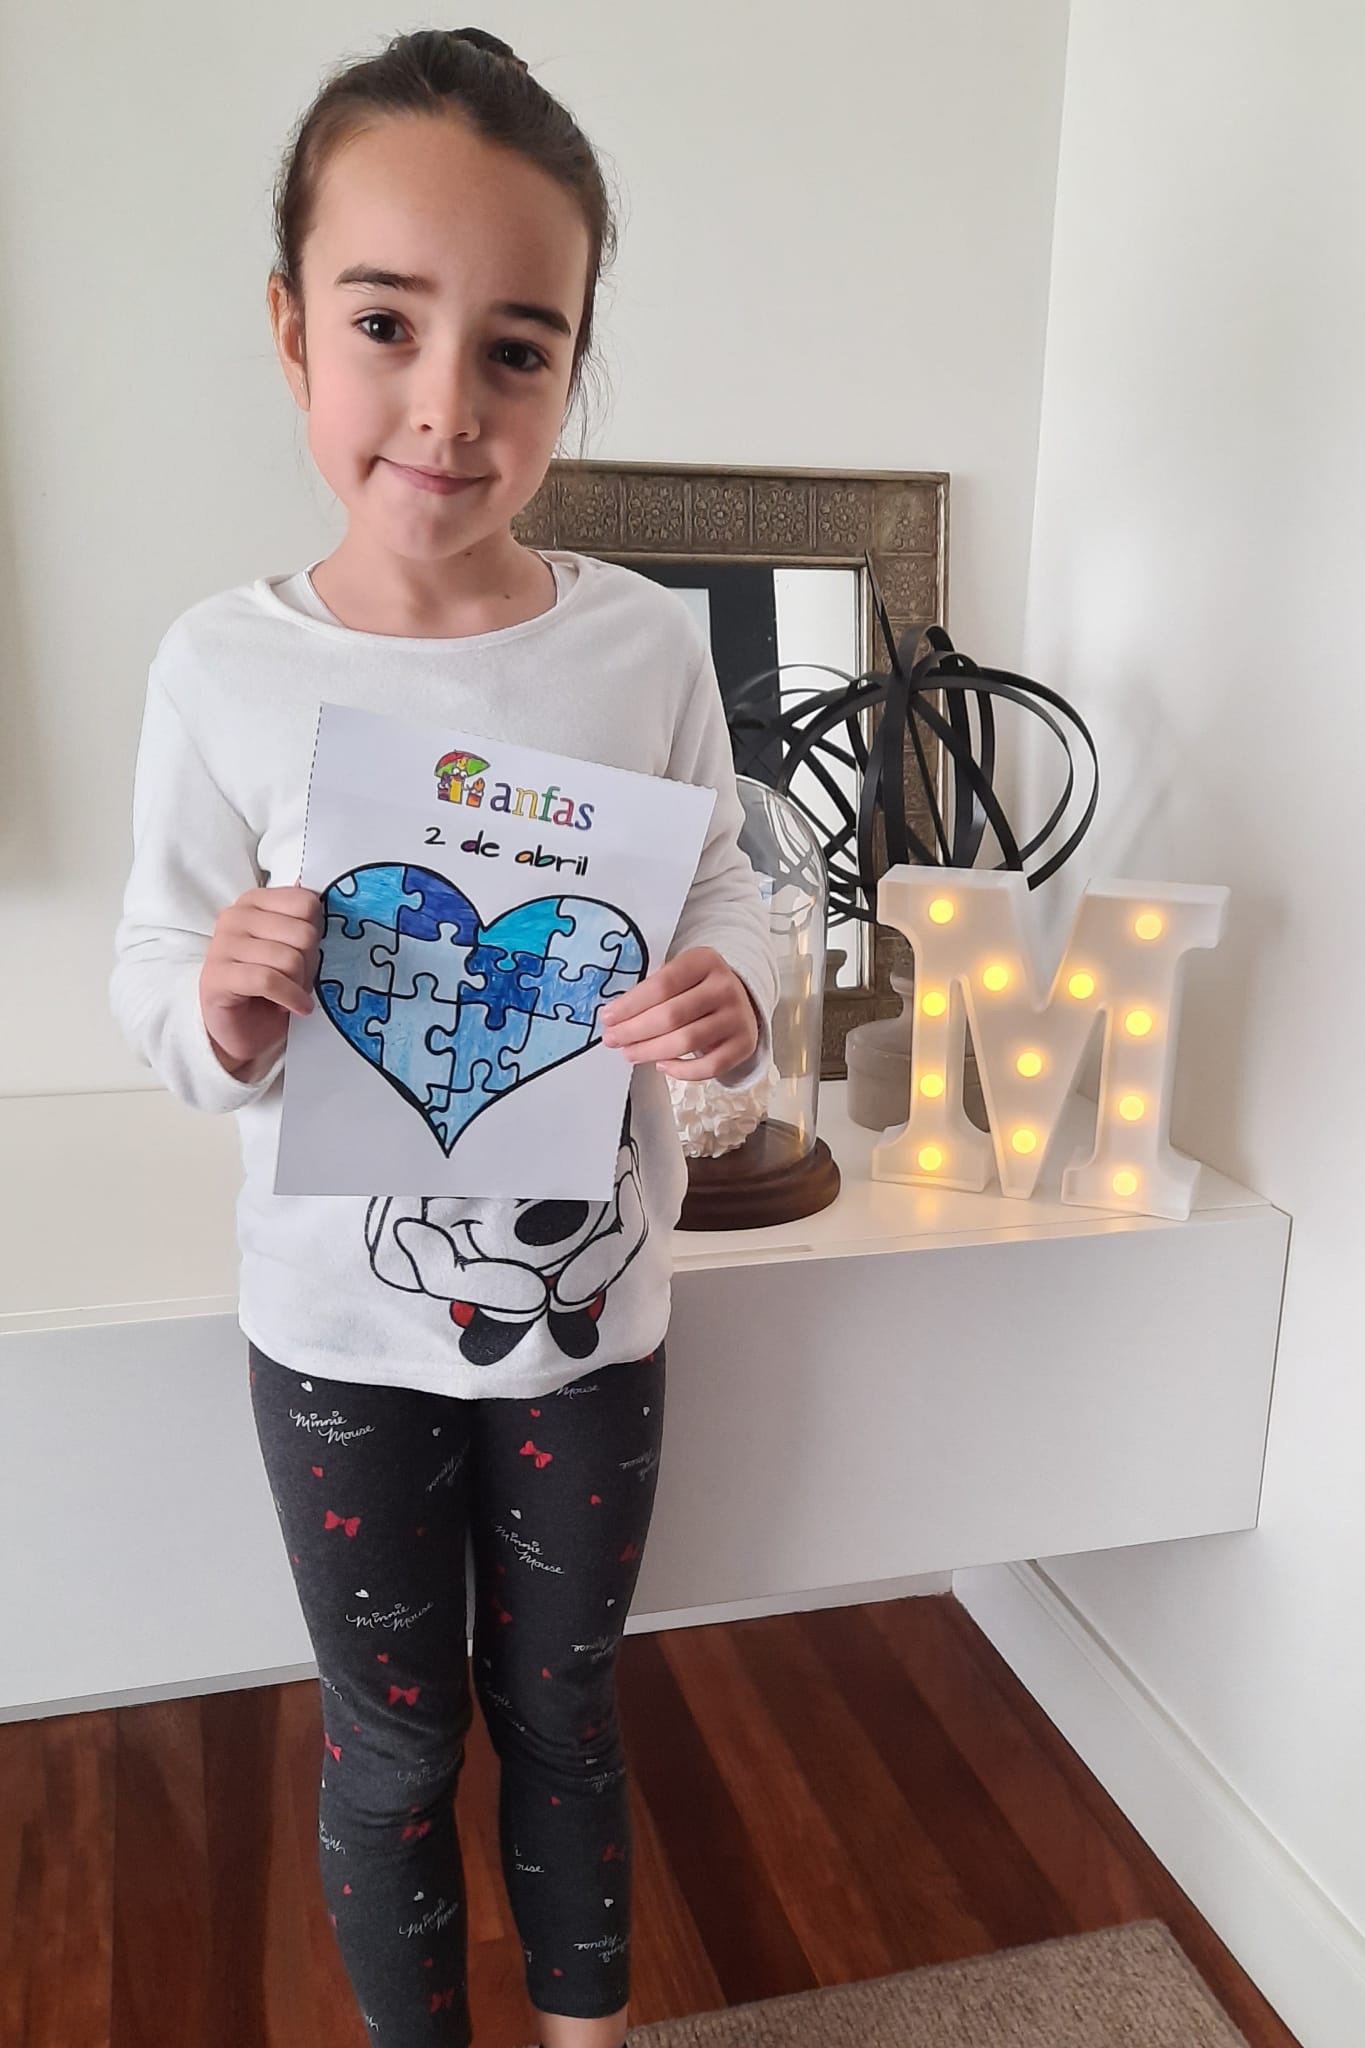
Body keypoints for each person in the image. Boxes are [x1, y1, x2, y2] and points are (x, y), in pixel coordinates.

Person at [108, 27, 777, 2048]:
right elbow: (155, 965)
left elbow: (726, 885)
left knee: (565, 1709)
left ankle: (585, 2032)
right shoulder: (222, 667)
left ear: (572, 366)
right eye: (386, 322)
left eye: (517, 347)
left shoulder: (638, 642)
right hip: (336, 1337)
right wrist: (219, 1002)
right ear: (290, 325)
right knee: (390, 1743)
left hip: (595, 1323)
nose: (445, 405)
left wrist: (729, 997)